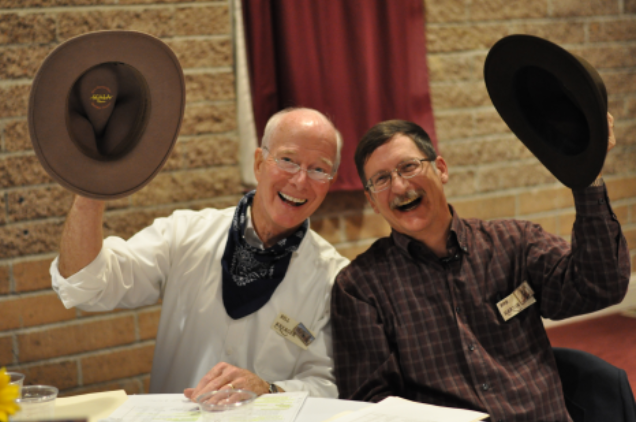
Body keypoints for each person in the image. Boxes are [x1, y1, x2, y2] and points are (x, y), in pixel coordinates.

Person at [330, 116, 630, 421]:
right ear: (371, 201)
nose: (398, 185)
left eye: (408, 167)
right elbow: (371, 405)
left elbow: (600, 285)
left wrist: (587, 176)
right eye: (380, 179)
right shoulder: (360, 287)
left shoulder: (514, 243)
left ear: (441, 169)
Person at [52, 107, 349, 398]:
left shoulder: (334, 278)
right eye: (288, 160)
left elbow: (327, 383)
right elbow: (86, 286)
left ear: (330, 181)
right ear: (259, 163)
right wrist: (91, 188)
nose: (300, 180)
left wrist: (269, 390)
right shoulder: (185, 235)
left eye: (318, 169)